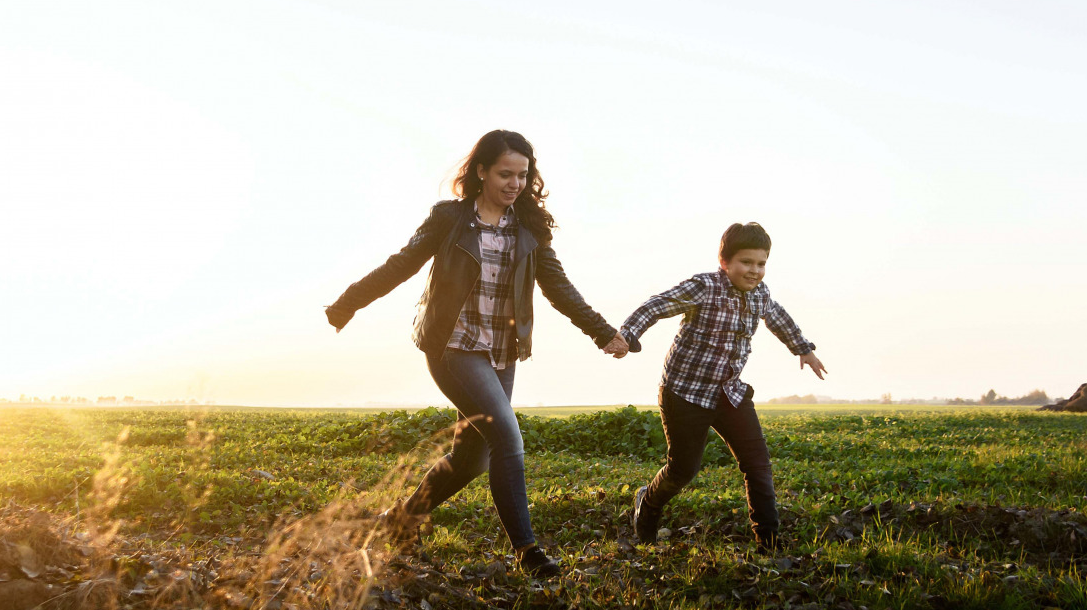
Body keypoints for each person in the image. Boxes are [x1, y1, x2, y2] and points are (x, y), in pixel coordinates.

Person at [326, 130, 628, 577]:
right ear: (481, 171)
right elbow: (402, 263)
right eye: (505, 173)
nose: (515, 184)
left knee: (472, 458)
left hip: (501, 352)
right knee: (507, 436)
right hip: (452, 346)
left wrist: (601, 332)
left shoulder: (528, 228)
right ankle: (529, 553)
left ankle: (401, 522)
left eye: (523, 175)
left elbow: (558, 287)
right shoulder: (449, 218)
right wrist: (349, 301)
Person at [617, 222, 825, 551]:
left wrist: (804, 348)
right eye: (746, 262)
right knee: (682, 469)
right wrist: (628, 336)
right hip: (685, 393)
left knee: (758, 464)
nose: (754, 271)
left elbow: (778, 317)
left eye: (761, 263)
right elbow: (658, 305)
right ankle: (649, 504)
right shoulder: (705, 286)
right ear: (725, 262)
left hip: (729, 392)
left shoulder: (761, 294)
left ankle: (769, 544)